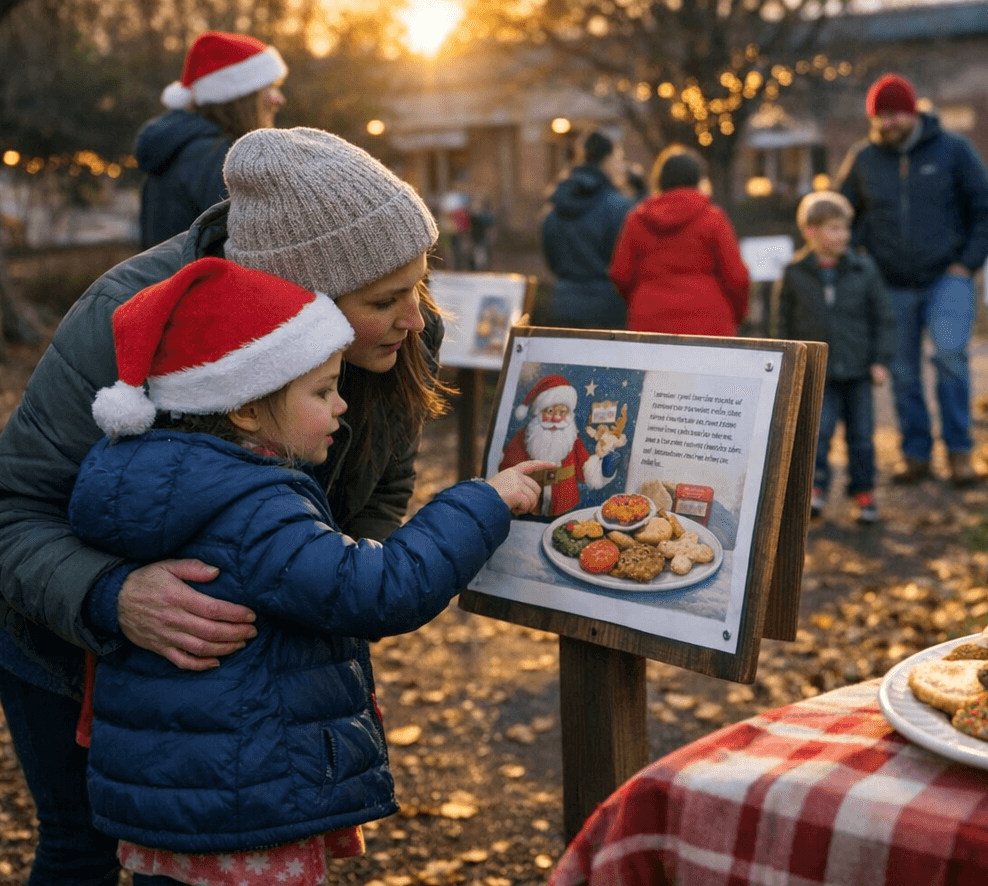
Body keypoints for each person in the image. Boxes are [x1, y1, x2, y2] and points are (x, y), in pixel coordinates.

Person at [0, 126, 455, 886]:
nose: (416, 317)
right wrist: (111, 596)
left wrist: (330, 582)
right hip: (62, 634)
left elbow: (383, 482)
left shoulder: (400, 332)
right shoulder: (129, 317)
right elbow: (4, 519)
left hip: (230, 677)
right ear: (301, 304)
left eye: (419, 286)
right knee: (82, 845)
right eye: (387, 300)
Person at [68, 257, 546, 883]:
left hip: (183, 796)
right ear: (244, 411)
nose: (342, 405)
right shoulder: (254, 507)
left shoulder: (158, 477)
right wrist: (483, 501)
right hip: (246, 806)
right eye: (322, 390)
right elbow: (377, 590)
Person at [836, 73, 988, 487]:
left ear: (911, 111)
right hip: (890, 285)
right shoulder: (863, 159)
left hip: (948, 279)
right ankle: (916, 455)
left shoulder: (954, 150)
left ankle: (960, 452)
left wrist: (966, 263)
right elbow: (842, 215)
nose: (886, 123)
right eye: (879, 116)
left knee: (950, 360)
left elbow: (986, 209)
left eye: (893, 114)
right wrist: (860, 261)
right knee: (903, 372)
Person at [777, 191, 896, 524]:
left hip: (858, 370)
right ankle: (816, 489)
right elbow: (782, 323)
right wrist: (789, 365)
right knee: (818, 433)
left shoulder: (863, 268)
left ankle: (864, 492)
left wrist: (880, 360)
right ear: (812, 232)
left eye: (845, 228)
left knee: (861, 435)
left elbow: (883, 316)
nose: (843, 235)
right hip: (818, 374)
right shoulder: (794, 272)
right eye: (834, 228)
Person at [135, 31, 288, 249]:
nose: (279, 99)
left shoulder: (181, 148)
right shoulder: (218, 157)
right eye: (270, 87)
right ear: (241, 98)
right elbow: (253, 249)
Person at [609, 146, 750, 336]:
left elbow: (620, 273)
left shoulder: (636, 219)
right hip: (708, 322)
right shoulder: (713, 218)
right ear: (699, 180)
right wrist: (736, 316)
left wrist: (642, 298)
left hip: (649, 323)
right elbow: (737, 277)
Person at [542, 130, 634, 329]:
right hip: (607, 309)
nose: (621, 165)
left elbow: (551, 256)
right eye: (619, 158)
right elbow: (626, 263)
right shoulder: (618, 206)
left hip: (563, 304)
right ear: (607, 159)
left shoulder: (556, 204)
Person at [498, 374, 625, 517]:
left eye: (562, 412)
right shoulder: (526, 436)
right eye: (550, 411)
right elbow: (509, 464)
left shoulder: (572, 438)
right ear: (540, 411)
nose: (556, 418)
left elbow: (584, 468)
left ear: (568, 413)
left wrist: (602, 470)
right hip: (531, 501)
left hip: (566, 503)